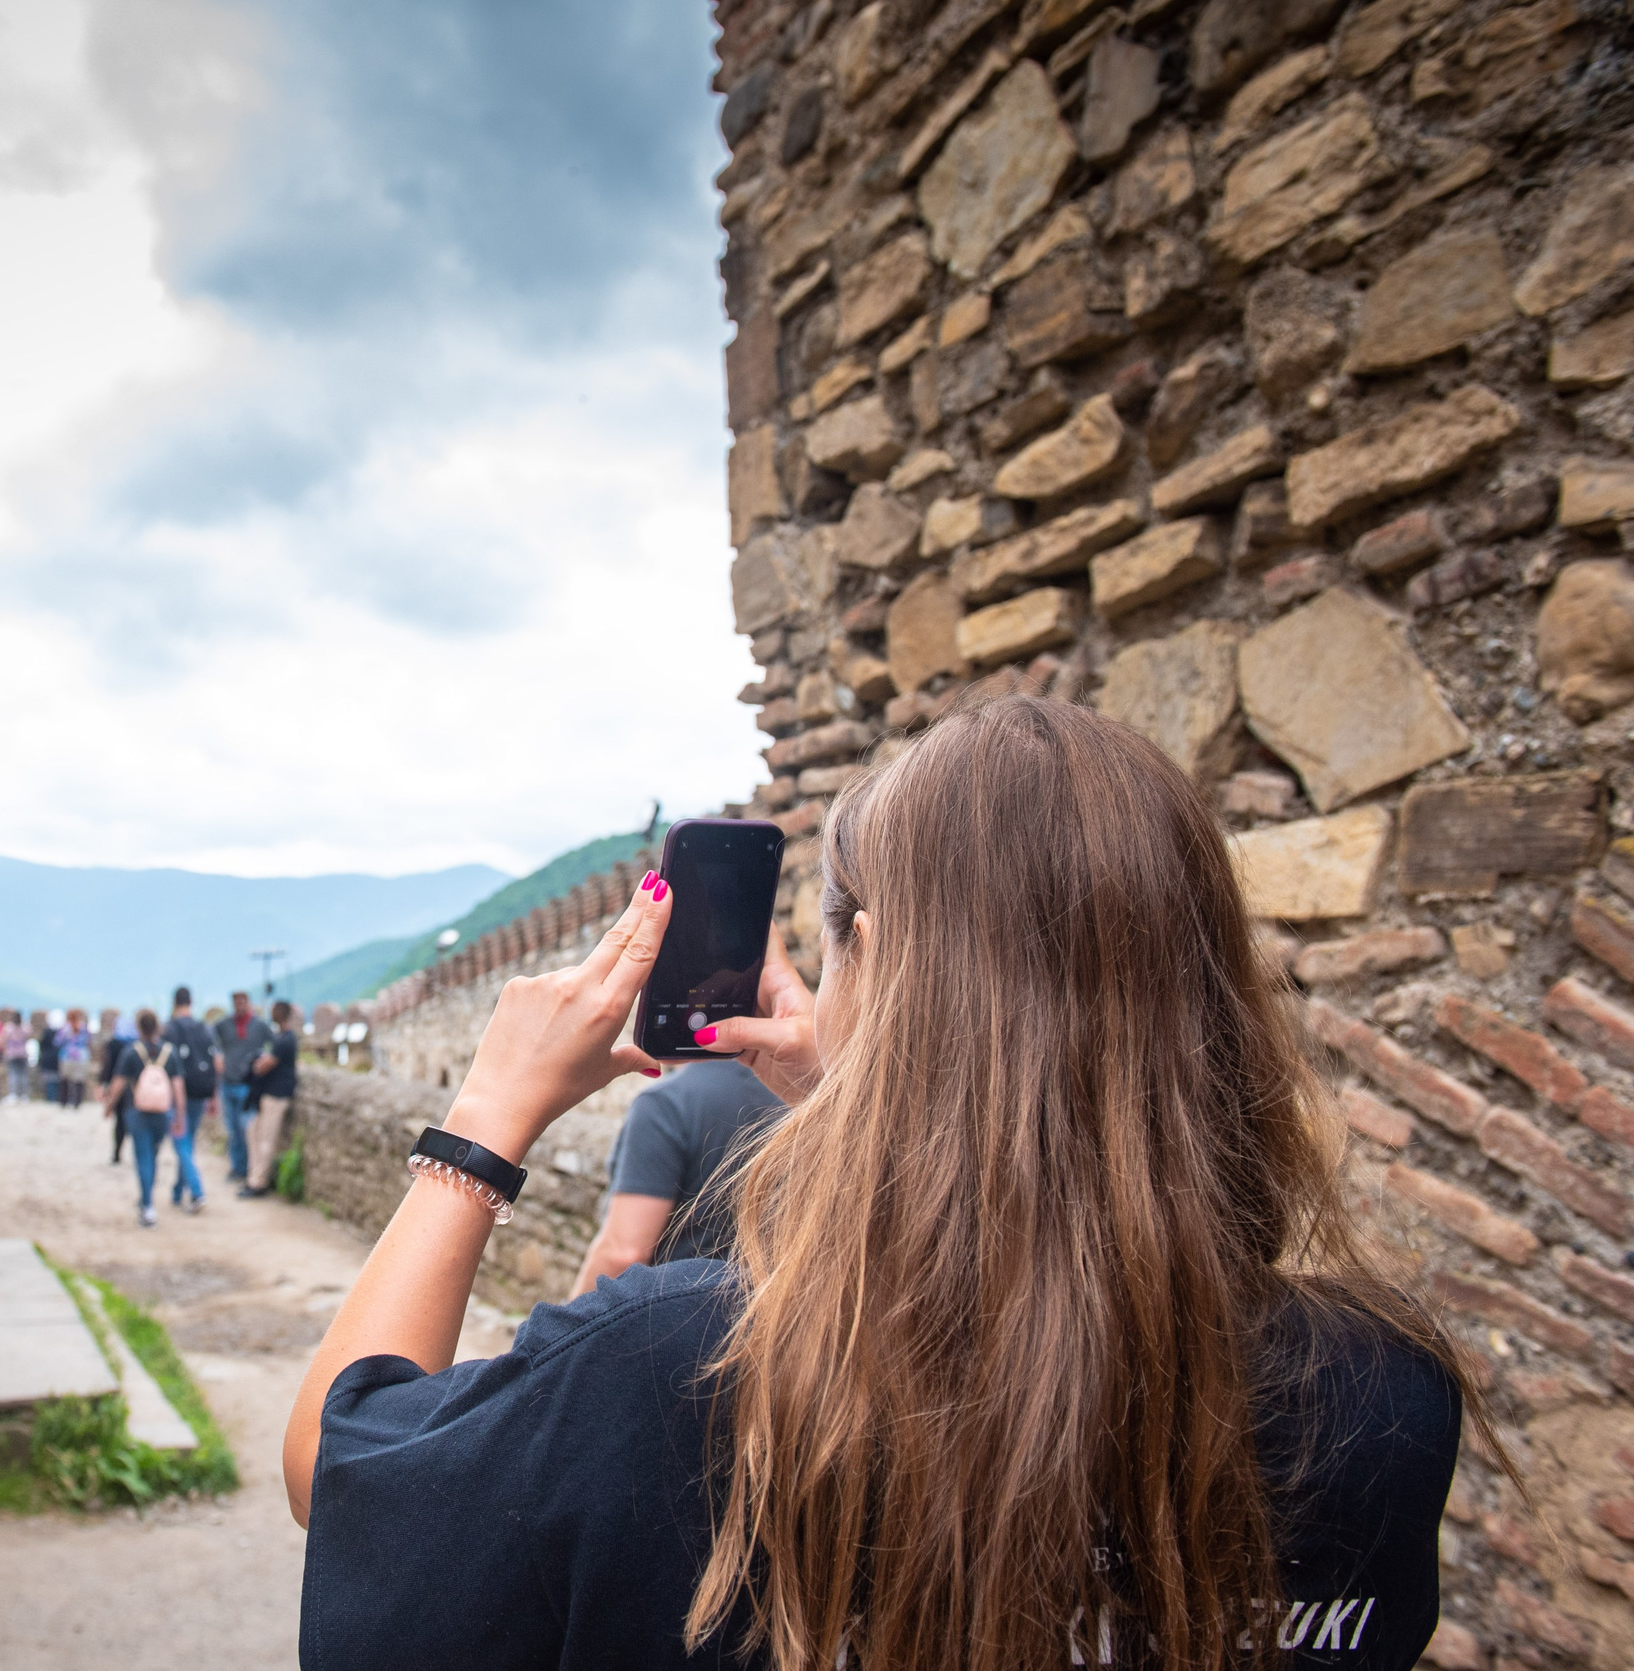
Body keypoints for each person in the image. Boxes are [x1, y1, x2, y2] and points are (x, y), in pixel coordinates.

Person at [285, 697, 1478, 1671]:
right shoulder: (1383, 1397)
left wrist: (483, 1121)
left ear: (871, 967)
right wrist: (862, 1098)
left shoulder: (678, 1372)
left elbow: (340, 1476)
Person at [568, 1059, 787, 1297]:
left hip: (672, 1316)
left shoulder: (667, 1103)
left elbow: (624, 1252)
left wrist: (567, 1329)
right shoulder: (792, 1102)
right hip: (765, 1315)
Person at [105, 1008, 182, 1228]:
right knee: (153, 1156)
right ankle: (147, 1199)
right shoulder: (170, 1053)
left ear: (138, 1027)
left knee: (143, 1157)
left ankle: (147, 1205)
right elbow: (178, 1087)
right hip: (162, 1113)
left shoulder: (131, 1052)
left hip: (137, 1112)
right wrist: (180, 1114)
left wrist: (109, 1106)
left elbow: (119, 1083)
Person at [240, 999, 301, 1197]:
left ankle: (259, 1182)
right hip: (269, 1095)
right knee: (254, 1132)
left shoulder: (285, 1040)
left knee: (266, 1139)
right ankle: (253, 1177)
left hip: (277, 1096)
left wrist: (260, 1063)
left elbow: (264, 1065)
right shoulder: (282, 1038)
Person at [166, 987, 221, 1201]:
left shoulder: (170, 1029)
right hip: (200, 1091)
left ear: (174, 1002)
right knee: (188, 1141)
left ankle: (197, 1191)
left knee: (181, 1142)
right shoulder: (205, 1029)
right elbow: (215, 1063)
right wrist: (214, 1095)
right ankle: (178, 1191)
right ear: (192, 1002)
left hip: (177, 1093)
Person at [213, 990, 272, 1186]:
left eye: (242, 1001)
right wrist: (218, 1057)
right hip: (228, 1083)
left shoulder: (260, 1026)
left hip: (247, 1086)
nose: (239, 1005)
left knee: (247, 1129)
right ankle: (237, 1167)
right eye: (236, 1001)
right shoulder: (223, 1026)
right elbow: (212, 1044)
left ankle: (249, 1169)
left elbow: (273, 1046)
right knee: (233, 1130)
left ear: (248, 1002)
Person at [98, 1009, 137, 1163]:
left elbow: (107, 1067)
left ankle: (117, 1152)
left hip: (117, 1085)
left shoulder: (112, 1044)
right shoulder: (137, 1044)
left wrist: (105, 1085)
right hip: (134, 1088)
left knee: (119, 1121)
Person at [58, 1008, 94, 1107]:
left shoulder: (65, 1028)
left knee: (65, 1080)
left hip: (67, 1056)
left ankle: (63, 1102)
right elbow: (90, 1040)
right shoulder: (84, 1028)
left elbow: (57, 1041)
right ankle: (77, 1102)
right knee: (79, 1081)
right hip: (81, 1057)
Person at [0, 1010, 31, 1101]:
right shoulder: (25, 1027)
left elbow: (3, 1039)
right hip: (22, 1054)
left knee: (13, 1074)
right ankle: (24, 1095)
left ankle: (13, 1094)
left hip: (12, 1054)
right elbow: (29, 1036)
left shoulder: (8, 1028)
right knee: (23, 1075)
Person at [36, 1010, 61, 1103]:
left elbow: (41, 1045)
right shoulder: (60, 1033)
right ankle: (54, 1098)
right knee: (55, 1079)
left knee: (49, 1080)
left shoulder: (46, 1032)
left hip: (47, 1058)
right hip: (57, 1058)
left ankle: (50, 1099)